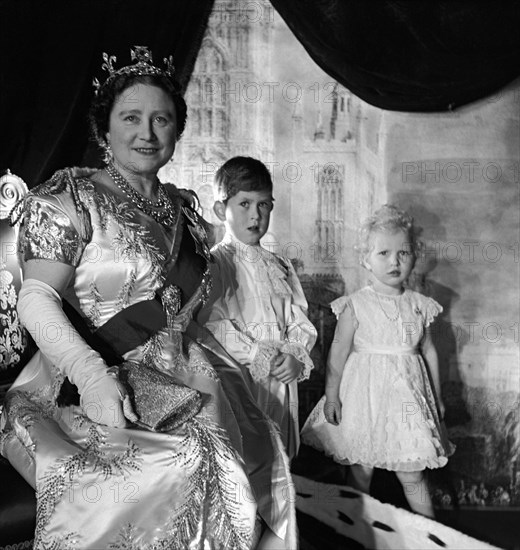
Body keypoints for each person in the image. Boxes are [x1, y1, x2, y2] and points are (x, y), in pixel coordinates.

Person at [0, 47, 296, 549]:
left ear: (177, 130)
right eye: (131, 117)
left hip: (186, 374)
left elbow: (189, 316)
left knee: (256, 448)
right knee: (187, 464)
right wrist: (91, 375)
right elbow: (35, 298)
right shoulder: (71, 199)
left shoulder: (187, 215)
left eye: (162, 119)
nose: (148, 133)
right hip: (82, 379)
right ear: (105, 129)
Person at [301, 204, 455, 518]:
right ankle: (356, 528)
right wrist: (332, 396)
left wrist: (437, 398)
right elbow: (338, 353)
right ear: (366, 260)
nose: (394, 261)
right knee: (362, 468)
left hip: (405, 400)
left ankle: (430, 531)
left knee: (412, 470)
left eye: (403, 253)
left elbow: (429, 351)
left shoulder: (418, 305)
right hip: (365, 396)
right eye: (383, 253)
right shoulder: (355, 305)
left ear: (414, 256)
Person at [197, 157, 317, 459]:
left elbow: (298, 320)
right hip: (241, 375)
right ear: (220, 209)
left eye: (263, 205)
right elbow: (213, 322)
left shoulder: (280, 265)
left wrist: (294, 354)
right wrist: (255, 353)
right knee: (246, 451)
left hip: (281, 377)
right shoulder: (215, 263)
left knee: (280, 453)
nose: (255, 215)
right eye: (245, 204)